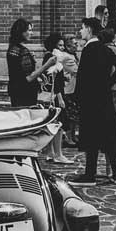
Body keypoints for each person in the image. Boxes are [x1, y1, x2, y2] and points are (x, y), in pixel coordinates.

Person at [73, 18, 116, 182]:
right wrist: (108, 83)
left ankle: (90, 174)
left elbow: (82, 77)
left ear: (89, 29)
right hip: (104, 97)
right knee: (108, 135)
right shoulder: (104, 49)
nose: (81, 31)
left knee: (91, 136)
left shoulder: (90, 49)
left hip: (90, 98)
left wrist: (78, 97)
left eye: (82, 28)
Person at [31, 34, 78, 165]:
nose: (62, 48)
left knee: (51, 124)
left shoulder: (50, 56)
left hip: (51, 95)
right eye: (60, 45)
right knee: (58, 125)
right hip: (55, 96)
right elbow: (54, 81)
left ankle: (50, 152)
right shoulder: (53, 57)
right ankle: (58, 154)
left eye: (63, 45)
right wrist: (60, 98)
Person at [5, 19, 40, 109]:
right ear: (21, 32)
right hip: (24, 92)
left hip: (20, 91)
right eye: (29, 30)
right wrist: (48, 65)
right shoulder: (19, 50)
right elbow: (27, 78)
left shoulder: (15, 49)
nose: (31, 33)